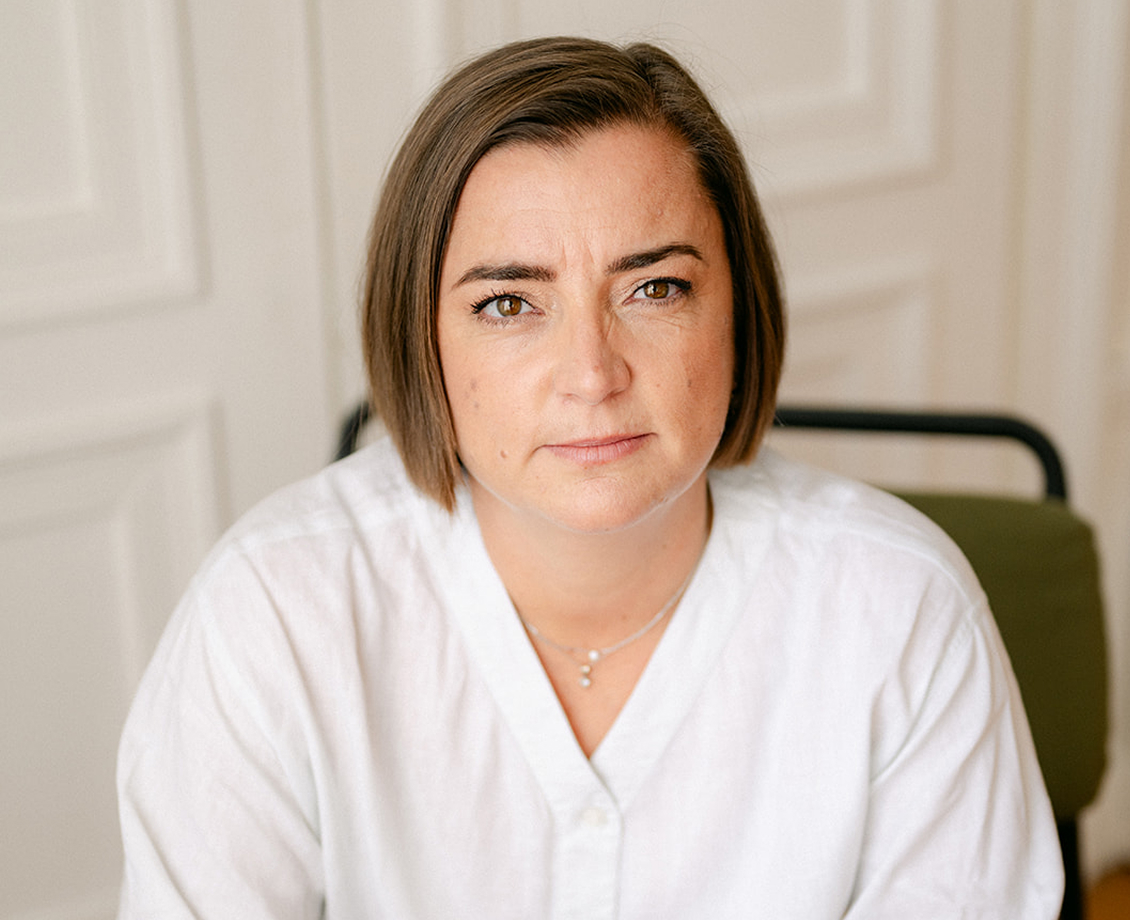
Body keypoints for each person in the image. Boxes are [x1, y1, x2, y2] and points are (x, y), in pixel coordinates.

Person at [116, 36, 1063, 918]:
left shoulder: (902, 612)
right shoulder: (270, 614)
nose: (592, 375)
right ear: (421, 335)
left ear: (739, 307)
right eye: (509, 303)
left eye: (655, 288)